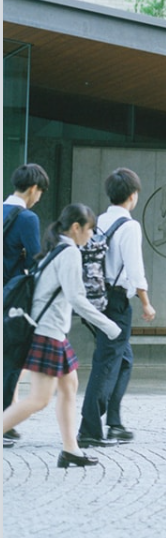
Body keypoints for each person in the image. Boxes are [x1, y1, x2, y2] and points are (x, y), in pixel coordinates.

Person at [3, 204, 122, 465]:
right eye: (90, 230)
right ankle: (69, 449)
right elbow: (76, 298)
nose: (91, 236)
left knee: (69, 387)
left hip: (52, 331)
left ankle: (71, 449)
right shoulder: (69, 252)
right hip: (48, 332)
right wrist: (109, 326)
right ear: (76, 228)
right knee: (38, 399)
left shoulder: (56, 249)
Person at [78, 168, 156, 447]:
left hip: (97, 299)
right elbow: (136, 270)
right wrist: (146, 303)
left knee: (122, 359)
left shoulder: (99, 221)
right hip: (117, 302)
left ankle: (115, 422)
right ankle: (89, 429)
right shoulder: (130, 226)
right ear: (133, 196)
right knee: (107, 362)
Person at [3, 163, 50, 437]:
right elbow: (37, 260)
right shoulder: (27, 218)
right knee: (11, 359)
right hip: (12, 298)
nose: (39, 198)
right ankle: (6, 423)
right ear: (33, 188)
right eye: (40, 192)